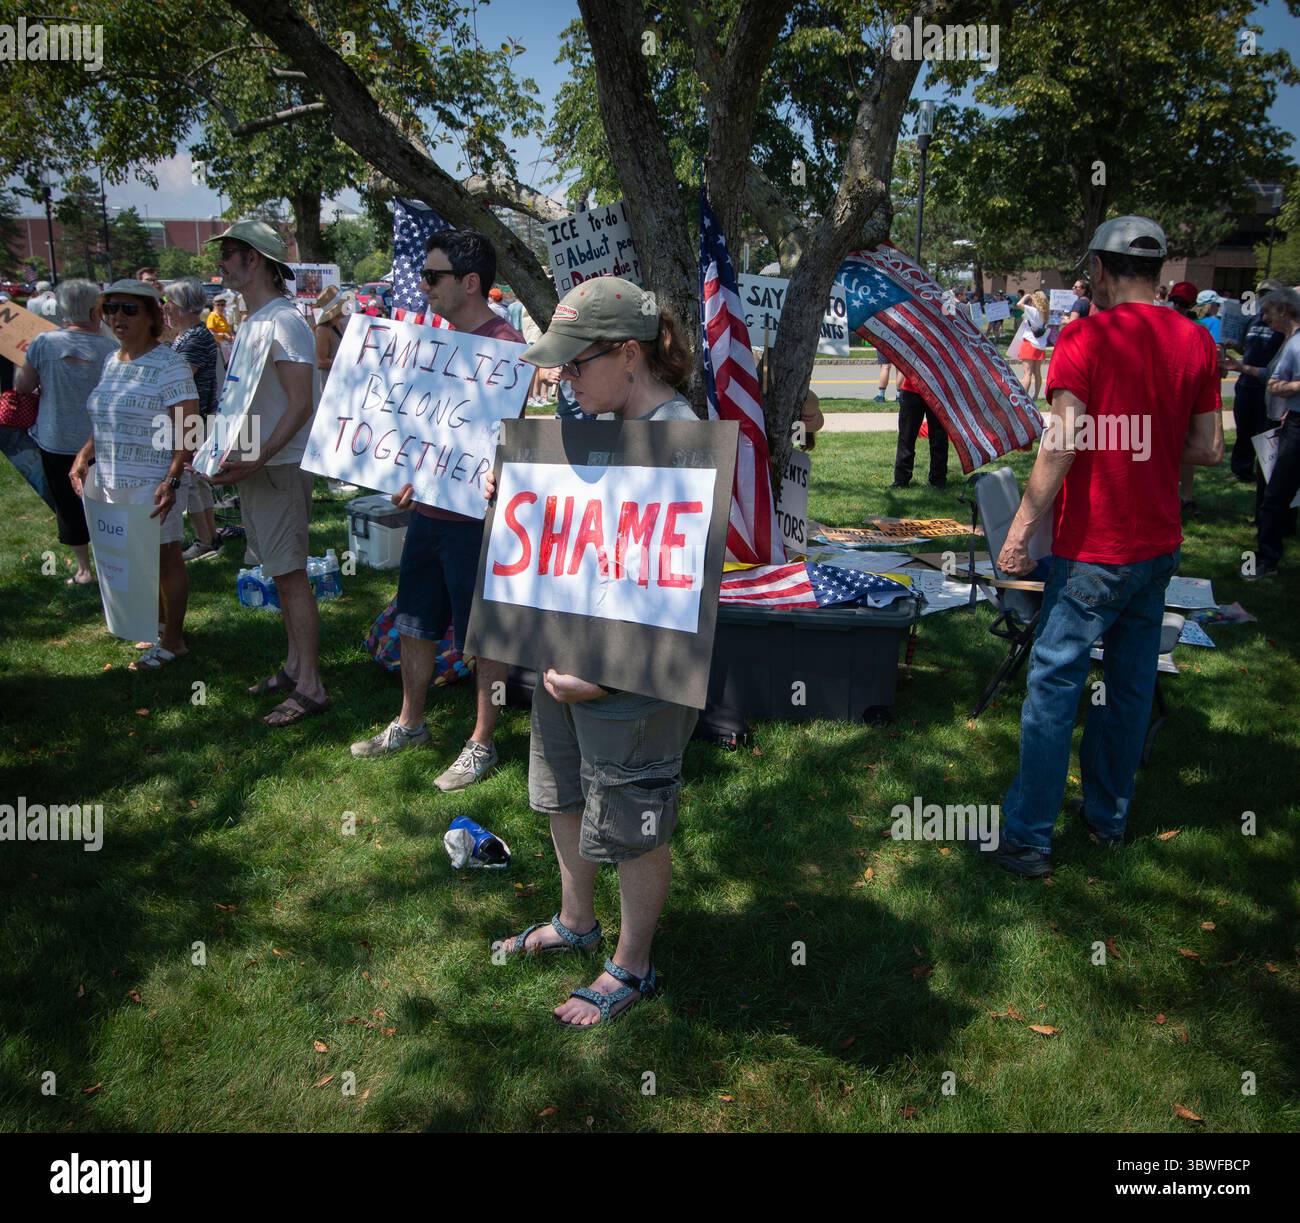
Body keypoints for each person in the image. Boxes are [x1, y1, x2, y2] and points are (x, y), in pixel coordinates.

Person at [494, 276, 699, 1027]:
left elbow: (677, 596)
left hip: (626, 675)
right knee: (565, 789)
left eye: (576, 363)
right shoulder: (588, 418)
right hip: (562, 651)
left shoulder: (679, 438)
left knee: (634, 809)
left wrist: (606, 676)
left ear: (629, 356)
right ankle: (576, 918)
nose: (561, 378)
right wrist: (513, 486)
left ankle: (633, 963)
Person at [990, 216, 1222, 877]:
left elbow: (1061, 441)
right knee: (1129, 687)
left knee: (1055, 686)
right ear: (1158, 272)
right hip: (1156, 548)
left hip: (1093, 547)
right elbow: (1209, 447)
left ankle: (1029, 837)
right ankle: (1107, 820)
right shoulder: (1198, 340)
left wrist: (1018, 532)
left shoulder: (1085, 335)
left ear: (1097, 269)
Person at [350, 229, 520, 791]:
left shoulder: (506, 349)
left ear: (470, 283)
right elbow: (423, 428)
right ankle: (411, 722)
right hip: (428, 513)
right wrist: (406, 472)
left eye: (432, 276)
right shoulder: (434, 343)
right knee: (415, 620)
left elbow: (503, 442)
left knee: (483, 638)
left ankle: (482, 743)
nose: (423, 286)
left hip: (478, 523)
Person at [205, 220, 327, 726]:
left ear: (255, 259)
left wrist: (257, 456)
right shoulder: (255, 320)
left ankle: (312, 687)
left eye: (229, 253)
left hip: (278, 465)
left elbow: (301, 404)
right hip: (258, 465)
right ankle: (295, 666)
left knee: (292, 576)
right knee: (279, 571)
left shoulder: (284, 321)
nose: (221, 263)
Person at [67, 280, 201, 668]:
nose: (117, 318)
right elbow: (106, 416)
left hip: (153, 478)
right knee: (137, 559)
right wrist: (84, 454)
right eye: (110, 309)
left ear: (151, 317)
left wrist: (173, 478)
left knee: (164, 557)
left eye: (128, 309)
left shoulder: (169, 364)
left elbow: (188, 428)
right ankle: (159, 625)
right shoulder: (113, 359)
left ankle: (174, 641)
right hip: (112, 476)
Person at [16, 279, 119, 586]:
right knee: (106, 502)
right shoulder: (111, 349)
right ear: (93, 310)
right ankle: (111, 565)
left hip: (55, 437)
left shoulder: (43, 343)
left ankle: (84, 569)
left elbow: (22, 386)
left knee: (67, 504)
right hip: (100, 439)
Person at [164, 278, 223, 562]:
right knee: (198, 479)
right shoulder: (189, 335)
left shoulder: (196, 338)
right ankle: (209, 536)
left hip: (192, 418)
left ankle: (205, 539)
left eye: (169, 303)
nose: (166, 309)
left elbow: (179, 378)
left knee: (191, 478)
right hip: (194, 417)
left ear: (182, 306)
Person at [1250, 287, 1300, 580]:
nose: (1264, 317)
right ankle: (1267, 558)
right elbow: (1275, 383)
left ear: (1283, 310)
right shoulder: (1291, 343)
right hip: (1293, 422)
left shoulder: (1293, 343)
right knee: (1277, 491)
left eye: (1268, 311)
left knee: (1278, 493)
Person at [1223, 279, 1286, 484]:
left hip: (1266, 386)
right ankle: (1241, 470)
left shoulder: (1282, 325)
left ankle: (1267, 475)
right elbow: (1246, 350)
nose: (1264, 298)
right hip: (1245, 384)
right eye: (1261, 294)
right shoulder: (1253, 320)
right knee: (1244, 431)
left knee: (1266, 432)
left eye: (1269, 293)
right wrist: (1236, 345)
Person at [891, 367, 949, 487]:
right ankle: (901, 480)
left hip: (938, 390)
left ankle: (938, 479)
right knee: (906, 437)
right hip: (911, 389)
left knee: (939, 437)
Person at [1015, 290, 1050, 399]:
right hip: (1040, 345)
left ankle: (1024, 397)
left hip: (1029, 343)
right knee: (1037, 373)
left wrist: (1026, 296)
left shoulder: (1033, 310)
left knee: (1027, 373)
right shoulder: (1045, 313)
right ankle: (1035, 396)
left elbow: (1018, 304)